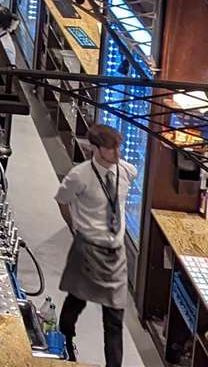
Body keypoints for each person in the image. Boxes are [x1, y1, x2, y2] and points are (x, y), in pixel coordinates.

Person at [56, 123, 135, 367]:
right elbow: (62, 200)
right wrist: (75, 229)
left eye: (118, 147)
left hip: (116, 252)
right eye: (111, 149)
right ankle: (64, 339)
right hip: (88, 248)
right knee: (77, 299)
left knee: (114, 315)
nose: (116, 153)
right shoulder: (79, 176)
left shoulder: (128, 171)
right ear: (95, 149)